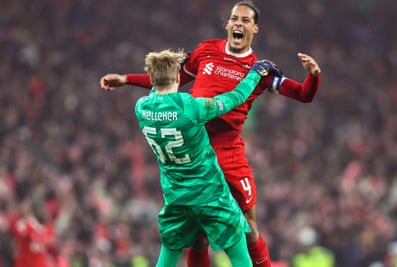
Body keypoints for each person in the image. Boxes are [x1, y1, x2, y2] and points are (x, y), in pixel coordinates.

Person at [100, 2, 321, 266]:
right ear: (227, 24)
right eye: (234, 19)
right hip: (196, 151)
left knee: (249, 225)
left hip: (228, 152)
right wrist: (127, 79)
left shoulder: (261, 68)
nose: (238, 23)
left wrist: (313, 76)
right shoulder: (207, 50)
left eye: (245, 20)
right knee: (198, 235)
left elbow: (303, 94)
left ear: (255, 28)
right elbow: (172, 79)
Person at [131, 48, 280, 267]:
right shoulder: (191, 107)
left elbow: (157, 90)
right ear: (178, 77)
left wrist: (164, 68)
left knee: (168, 255)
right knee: (239, 255)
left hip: (176, 197)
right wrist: (255, 73)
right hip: (210, 194)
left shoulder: (142, 107)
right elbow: (235, 97)